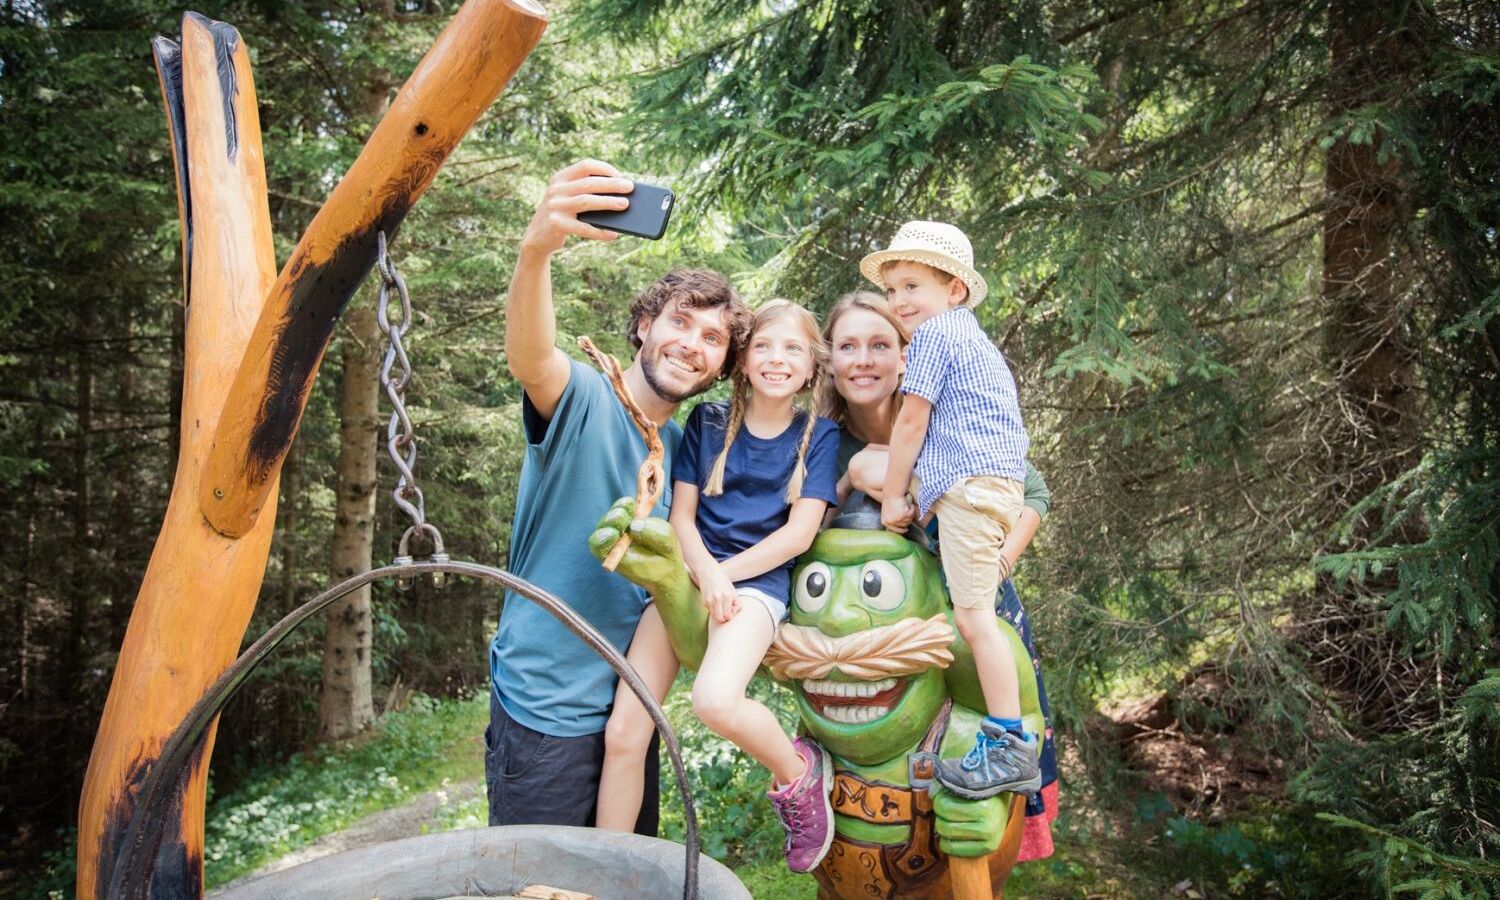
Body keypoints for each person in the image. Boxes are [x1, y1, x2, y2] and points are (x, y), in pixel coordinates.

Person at [487, 159, 752, 833]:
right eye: (680, 322)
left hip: (633, 717)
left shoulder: (696, 457)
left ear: (722, 365)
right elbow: (530, 355)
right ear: (642, 326)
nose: (691, 345)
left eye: (712, 338)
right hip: (546, 714)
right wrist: (536, 251)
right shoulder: (581, 398)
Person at [596, 299, 842, 873]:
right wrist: (704, 575)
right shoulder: (706, 422)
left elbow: (799, 535)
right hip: (692, 576)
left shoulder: (819, 435)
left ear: (811, 369)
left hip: (756, 590)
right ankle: (604, 867)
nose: (776, 360)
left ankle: (799, 774)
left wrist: (725, 579)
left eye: (793, 350)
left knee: (713, 700)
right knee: (625, 730)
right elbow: (681, 517)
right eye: (763, 346)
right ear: (743, 359)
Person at [823, 288, 1060, 859]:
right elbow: (813, 529)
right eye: (848, 347)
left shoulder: (945, 412)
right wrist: (854, 475)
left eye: (880, 345)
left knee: (983, 759)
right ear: (828, 361)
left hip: (968, 606)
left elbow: (1033, 490)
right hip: (878, 644)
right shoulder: (829, 442)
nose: (864, 360)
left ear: (907, 354)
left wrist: (1001, 559)